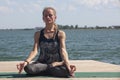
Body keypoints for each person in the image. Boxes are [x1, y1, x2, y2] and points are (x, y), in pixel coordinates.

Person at [16, 7, 76, 78]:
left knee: (67, 72)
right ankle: (49, 69)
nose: (48, 17)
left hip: (56, 64)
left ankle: (47, 70)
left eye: (50, 15)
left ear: (55, 17)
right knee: (28, 68)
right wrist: (26, 62)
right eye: (46, 15)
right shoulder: (38, 34)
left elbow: (63, 50)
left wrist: (67, 65)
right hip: (42, 63)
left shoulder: (60, 34)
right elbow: (34, 51)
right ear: (43, 18)